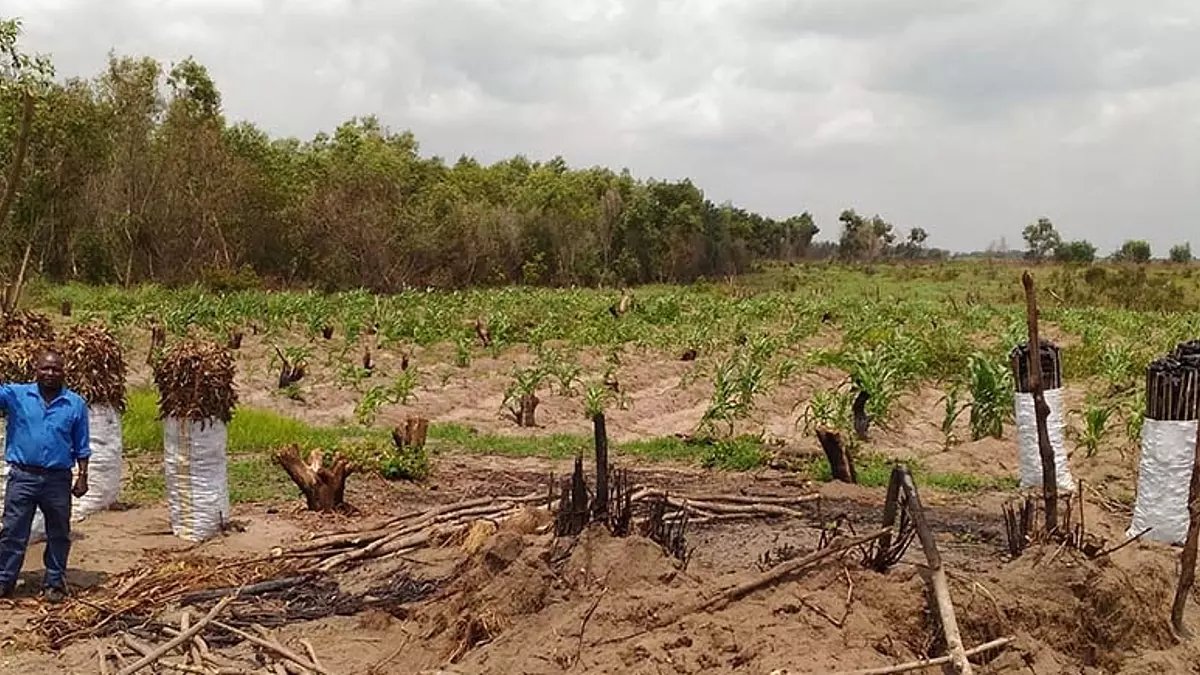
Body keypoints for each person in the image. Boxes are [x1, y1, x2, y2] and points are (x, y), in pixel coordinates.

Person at [0, 349, 89, 603]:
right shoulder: (16, 395)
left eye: (56, 369)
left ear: (63, 372)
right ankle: (4, 580)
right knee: (13, 531)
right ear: (36, 370)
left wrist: (82, 475)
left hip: (57, 479)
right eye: (45, 369)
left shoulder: (74, 403)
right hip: (23, 477)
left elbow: (81, 444)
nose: (50, 374)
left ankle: (54, 582)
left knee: (59, 532)